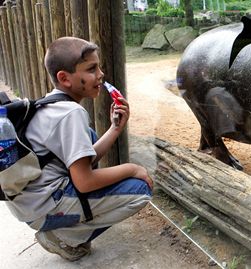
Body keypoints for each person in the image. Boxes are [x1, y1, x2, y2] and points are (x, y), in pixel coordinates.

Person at [5, 37, 154, 261]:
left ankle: (64, 227)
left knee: (89, 137)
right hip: (44, 208)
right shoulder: (71, 113)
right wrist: (132, 169)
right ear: (64, 78)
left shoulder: (51, 104)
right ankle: (64, 237)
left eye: (99, 66)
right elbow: (85, 182)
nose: (101, 74)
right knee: (140, 190)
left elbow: (83, 163)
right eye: (91, 69)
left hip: (29, 204)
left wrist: (115, 128)